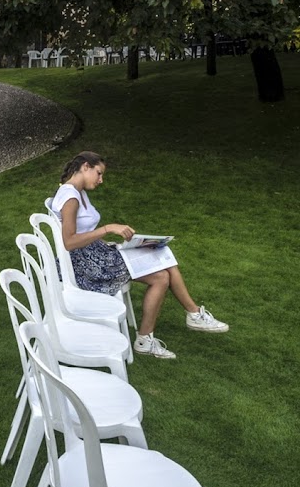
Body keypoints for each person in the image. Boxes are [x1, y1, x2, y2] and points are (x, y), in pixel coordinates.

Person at [50, 150, 228, 359]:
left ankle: (174, 324)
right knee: (162, 271)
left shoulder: (75, 191)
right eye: (99, 173)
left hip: (95, 254)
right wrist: (107, 228)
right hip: (87, 265)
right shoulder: (71, 197)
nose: (101, 180)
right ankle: (186, 318)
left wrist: (103, 240)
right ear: (85, 167)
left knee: (162, 259)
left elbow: (80, 231)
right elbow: (69, 242)